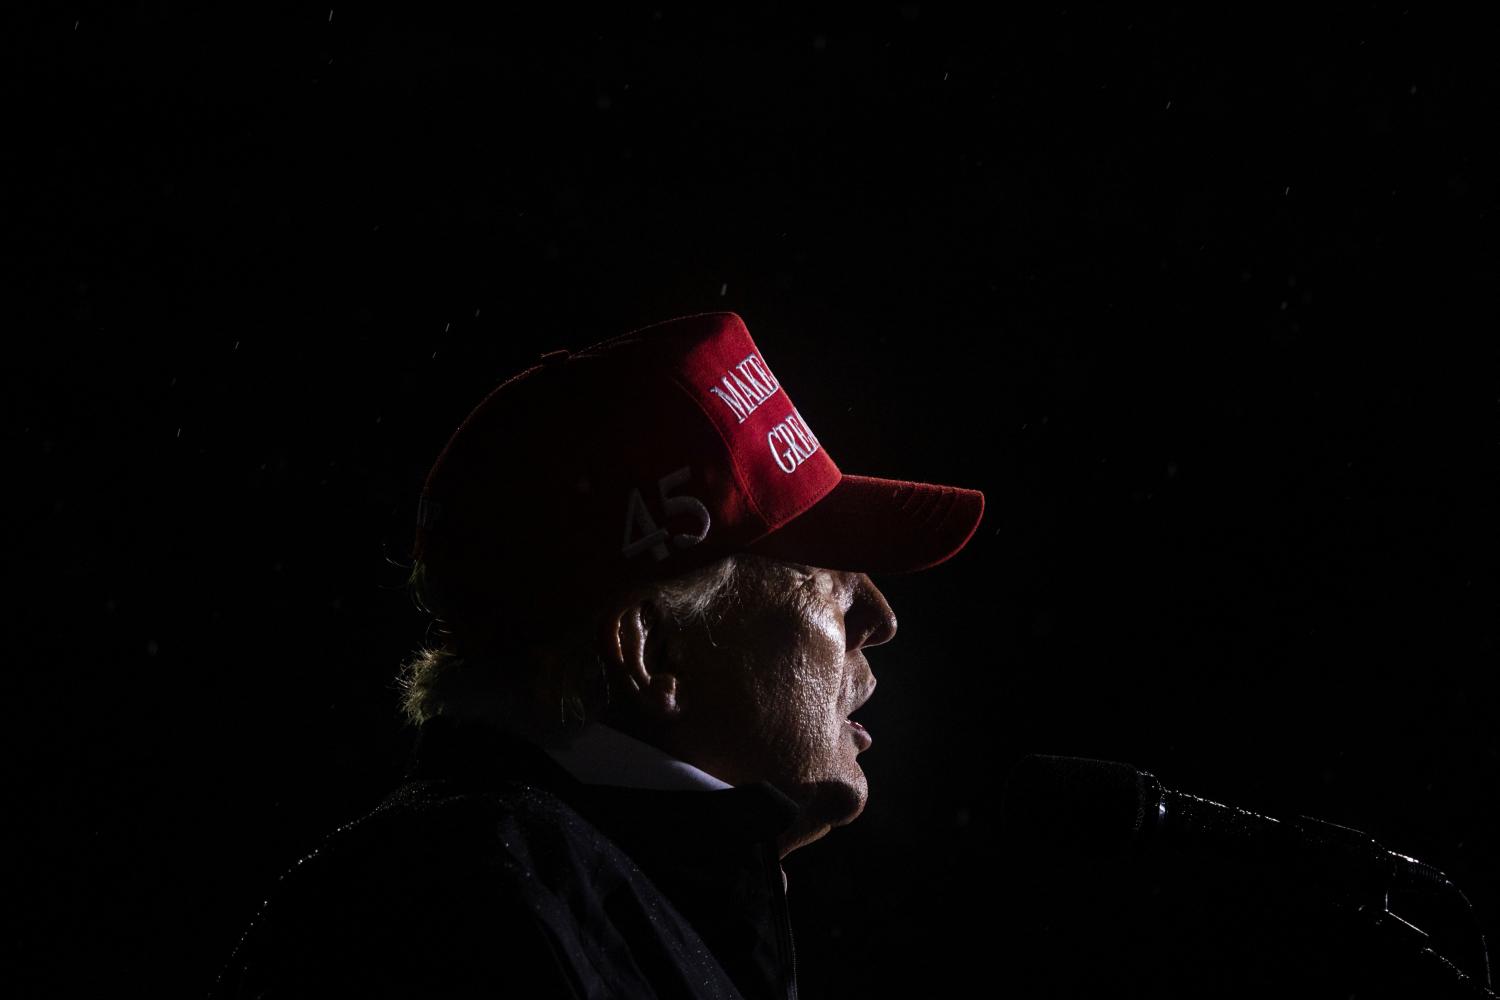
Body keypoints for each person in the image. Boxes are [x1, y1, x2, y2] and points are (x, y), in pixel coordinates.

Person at [212, 311, 985, 999]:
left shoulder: (563, 893)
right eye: (816, 571)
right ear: (650, 650)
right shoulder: (461, 920)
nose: (879, 617)